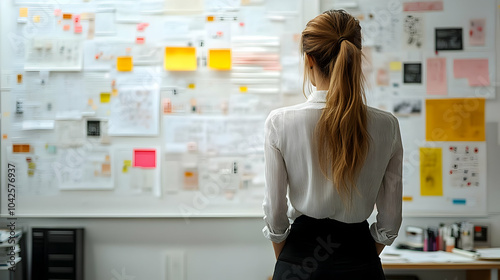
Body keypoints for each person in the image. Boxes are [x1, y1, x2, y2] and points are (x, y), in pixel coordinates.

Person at [262, 9, 403, 280]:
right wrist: (360, 256)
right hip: (360, 260)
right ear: (355, 57)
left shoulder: (280, 122)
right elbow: (390, 221)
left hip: (299, 259)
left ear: (309, 59)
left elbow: (276, 213)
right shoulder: (387, 125)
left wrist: (289, 257)